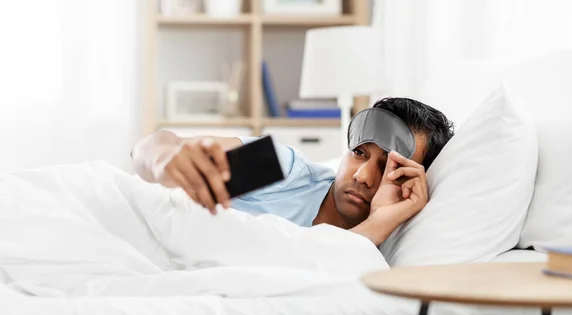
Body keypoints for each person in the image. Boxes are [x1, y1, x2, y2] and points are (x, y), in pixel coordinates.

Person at [131, 98, 454, 246]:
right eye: (359, 153)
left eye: (387, 168)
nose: (362, 176)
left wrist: (378, 225)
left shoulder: (397, 239)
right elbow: (149, 146)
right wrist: (163, 160)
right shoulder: (281, 169)